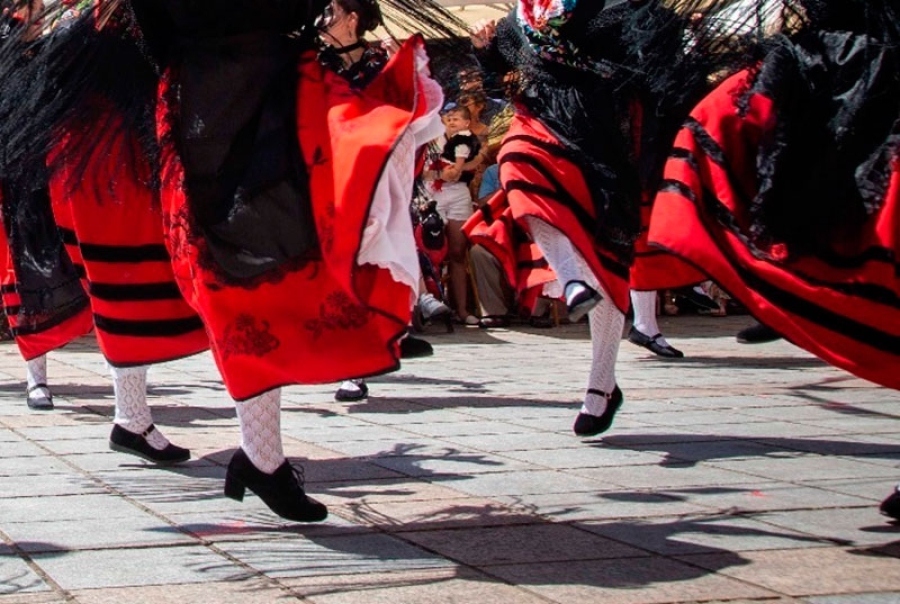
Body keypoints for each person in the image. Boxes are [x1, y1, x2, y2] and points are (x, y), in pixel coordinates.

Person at [0, 0, 460, 522]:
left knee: (260, 289)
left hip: (229, 109)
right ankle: (246, 452)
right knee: (247, 291)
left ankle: (256, 454)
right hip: (227, 118)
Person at [423, 103, 481, 325]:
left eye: (455, 118)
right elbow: (419, 171)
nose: (450, 121)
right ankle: (434, 304)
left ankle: (463, 310)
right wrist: (441, 174)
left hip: (459, 195)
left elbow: (477, 161)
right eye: (447, 117)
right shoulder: (430, 140)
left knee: (458, 252)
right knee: (432, 251)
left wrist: (459, 170)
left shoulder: (468, 140)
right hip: (433, 195)